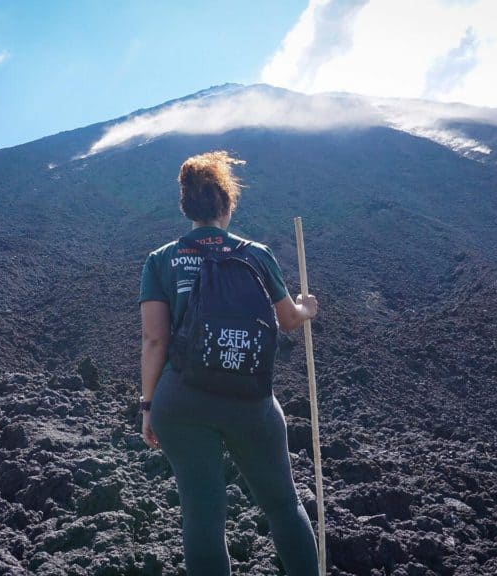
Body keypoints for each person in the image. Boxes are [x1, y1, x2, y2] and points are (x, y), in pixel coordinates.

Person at [138, 150, 320, 575]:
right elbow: (288, 320)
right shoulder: (255, 254)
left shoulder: (161, 259)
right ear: (227, 204)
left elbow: (154, 339)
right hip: (250, 402)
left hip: (181, 403)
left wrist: (148, 406)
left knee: (202, 514)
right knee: (283, 505)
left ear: (187, 206)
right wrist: (306, 308)